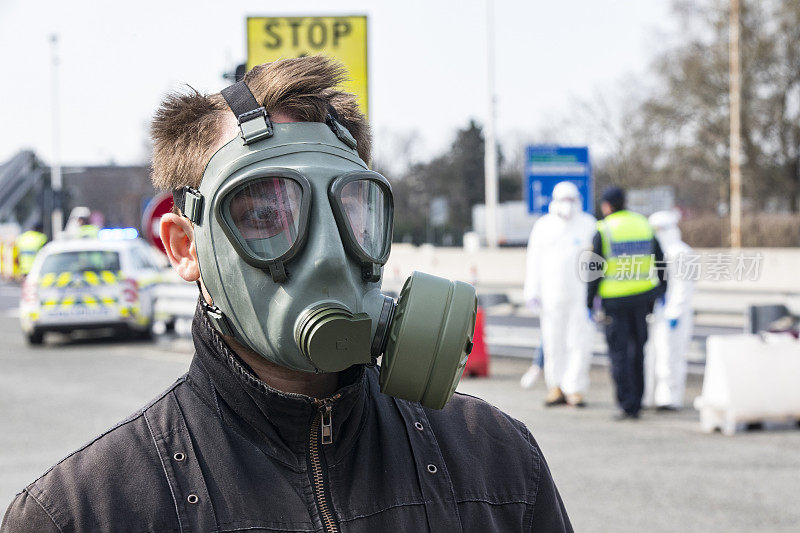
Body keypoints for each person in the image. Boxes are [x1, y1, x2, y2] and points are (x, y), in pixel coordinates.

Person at [2, 57, 571, 532]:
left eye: (349, 209)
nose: (327, 253)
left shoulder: (497, 465)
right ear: (184, 247)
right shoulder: (83, 513)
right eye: (265, 212)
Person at [586, 186, 666, 420]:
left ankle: (626, 403)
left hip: (615, 301)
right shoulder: (643, 224)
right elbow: (661, 261)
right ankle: (638, 401)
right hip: (642, 298)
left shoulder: (604, 229)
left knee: (619, 355)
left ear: (608, 206)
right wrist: (661, 291)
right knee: (638, 352)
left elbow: (594, 270)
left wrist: (589, 302)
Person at [522, 182, 597, 406]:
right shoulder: (543, 226)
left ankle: (575, 388)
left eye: (572, 199)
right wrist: (531, 291)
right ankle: (555, 386)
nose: (568, 205)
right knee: (553, 342)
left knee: (579, 342)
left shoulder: (588, 224)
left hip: (581, 296)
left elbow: (596, 262)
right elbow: (533, 260)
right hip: (551, 296)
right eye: (564, 199)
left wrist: (597, 294)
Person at [644, 210, 694, 410]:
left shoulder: (681, 252)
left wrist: (675, 311)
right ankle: (649, 396)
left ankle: (669, 398)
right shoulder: (654, 253)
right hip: (656, 312)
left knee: (670, 357)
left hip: (675, 315)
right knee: (651, 357)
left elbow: (684, 287)